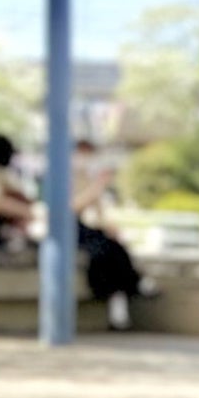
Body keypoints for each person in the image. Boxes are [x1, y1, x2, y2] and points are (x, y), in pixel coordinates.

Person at [71, 138, 154, 330]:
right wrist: (96, 187)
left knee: (115, 248)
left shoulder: (87, 180)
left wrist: (110, 227)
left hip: (85, 229)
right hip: (68, 231)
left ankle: (128, 295)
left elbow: (98, 213)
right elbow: (72, 208)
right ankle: (136, 283)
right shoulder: (64, 179)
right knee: (103, 252)